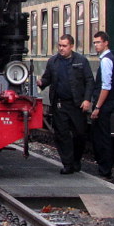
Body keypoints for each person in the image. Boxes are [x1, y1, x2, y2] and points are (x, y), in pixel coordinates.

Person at [37, 34, 95, 174]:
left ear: (71, 46)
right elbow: (47, 78)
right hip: (59, 104)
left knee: (79, 134)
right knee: (62, 134)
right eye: (59, 46)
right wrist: (40, 83)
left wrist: (87, 99)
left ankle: (76, 160)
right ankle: (67, 164)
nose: (61, 49)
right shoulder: (53, 62)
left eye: (64, 46)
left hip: (77, 104)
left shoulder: (81, 61)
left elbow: (89, 81)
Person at [91, 31, 114, 179]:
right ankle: (103, 168)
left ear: (106, 42)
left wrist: (98, 107)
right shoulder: (107, 58)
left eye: (98, 42)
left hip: (104, 105)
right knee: (100, 135)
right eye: (95, 43)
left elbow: (106, 86)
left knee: (102, 137)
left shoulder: (106, 60)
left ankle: (105, 169)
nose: (96, 45)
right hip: (106, 104)